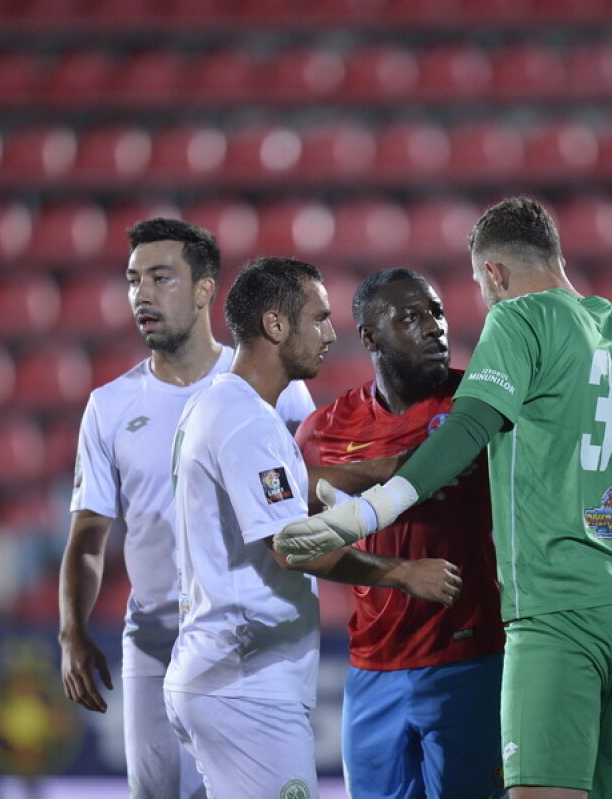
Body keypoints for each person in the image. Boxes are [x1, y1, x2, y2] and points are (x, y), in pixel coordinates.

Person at [275, 198, 612, 799]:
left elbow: (464, 432)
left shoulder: (516, 329)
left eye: (454, 301)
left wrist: (364, 511)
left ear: (493, 274)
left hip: (546, 616)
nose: (440, 325)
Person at [165, 256, 462, 798]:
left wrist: (382, 469)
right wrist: (403, 573)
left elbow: (283, 486)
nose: (329, 334)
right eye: (318, 318)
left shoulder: (224, 404)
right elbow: (294, 548)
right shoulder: (247, 421)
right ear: (276, 325)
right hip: (246, 679)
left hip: (220, 671)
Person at [57, 218, 316, 799]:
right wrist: (72, 631)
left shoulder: (273, 387)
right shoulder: (109, 407)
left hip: (250, 642)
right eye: (133, 280)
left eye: (160, 277)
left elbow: (312, 491)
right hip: (156, 639)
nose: (141, 295)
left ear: (204, 290)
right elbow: (89, 536)